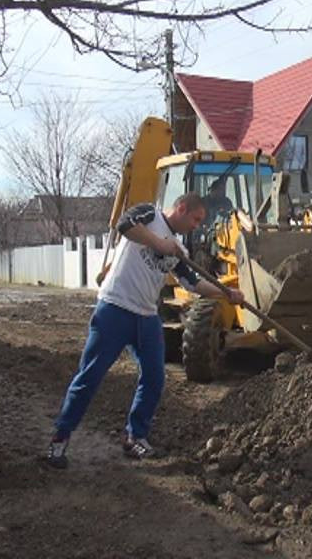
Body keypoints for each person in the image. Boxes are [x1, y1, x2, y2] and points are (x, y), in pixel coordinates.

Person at [46, 193, 244, 468]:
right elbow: (124, 225)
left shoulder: (179, 251)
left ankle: (135, 437)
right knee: (90, 375)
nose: (197, 226)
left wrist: (227, 293)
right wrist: (161, 243)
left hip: (147, 317)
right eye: (196, 219)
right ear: (182, 208)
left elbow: (193, 284)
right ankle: (60, 438)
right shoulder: (148, 215)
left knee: (154, 378)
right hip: (114, 309)